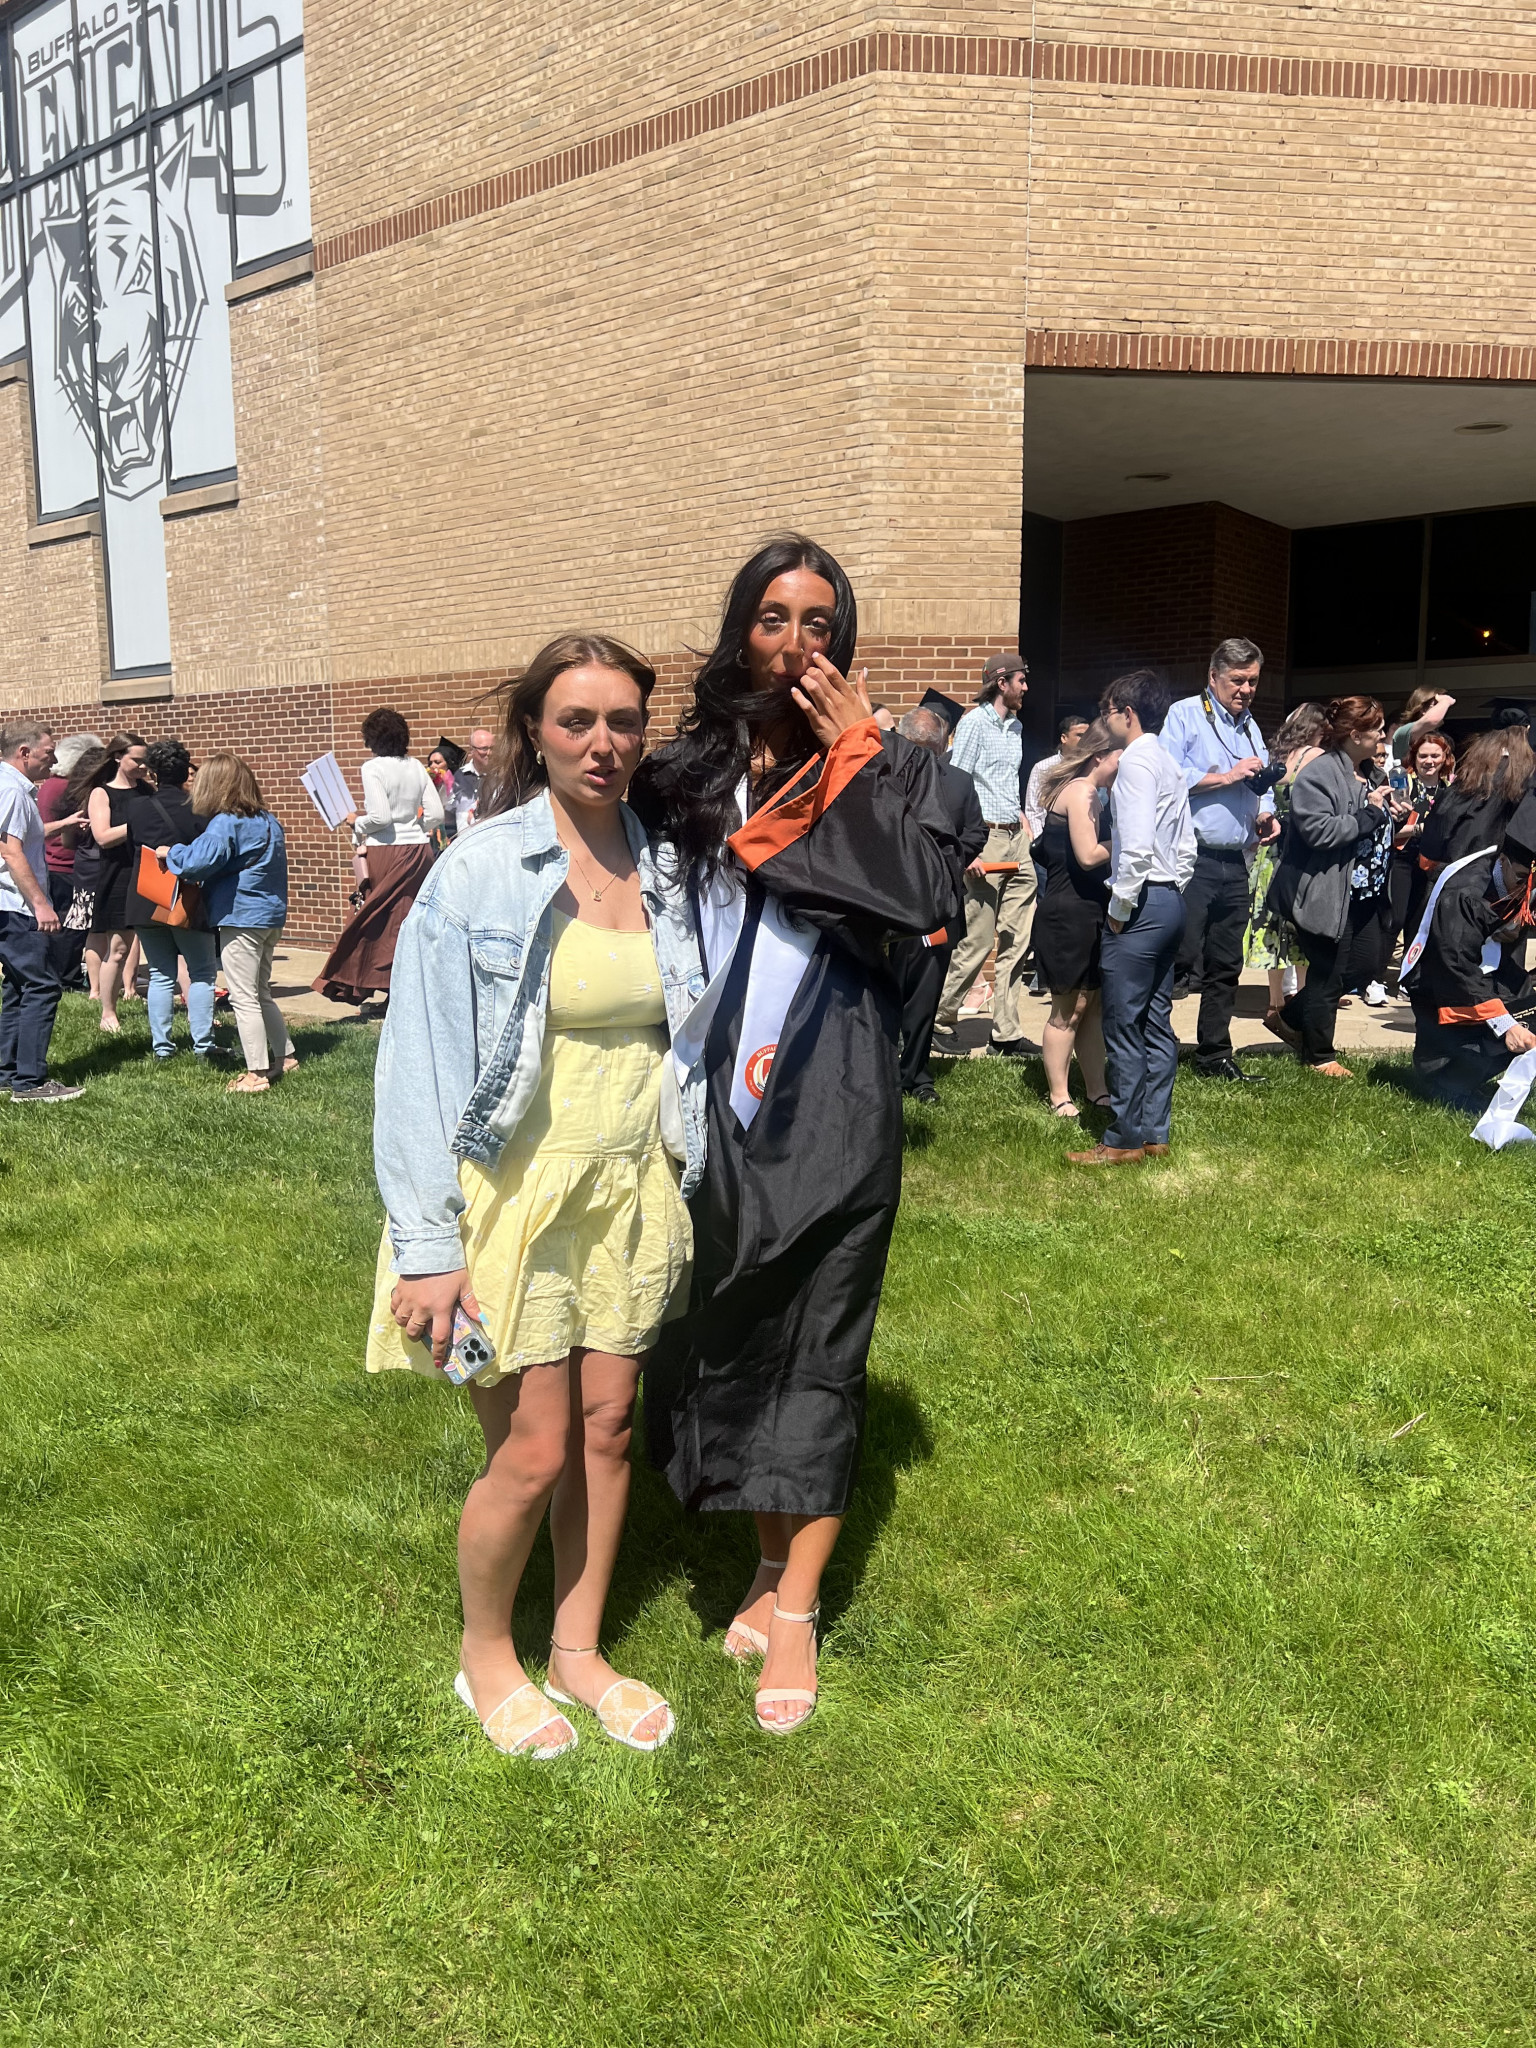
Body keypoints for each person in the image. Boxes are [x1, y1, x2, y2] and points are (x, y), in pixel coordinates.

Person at [630, 535, 962, 1734]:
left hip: (838, 1091)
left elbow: (921, 899)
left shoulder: (905, 767)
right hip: (706, 1093)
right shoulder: (687, 775)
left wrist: (859, 755)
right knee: (731, 1325)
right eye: (773, 618)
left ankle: (800, 1606)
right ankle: (766, 1562)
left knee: (821, 1339)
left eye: (819, 621)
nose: (796, 642)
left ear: (845, 639)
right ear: (742, 630)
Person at [369, 633, 707, 1761]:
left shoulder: (669, 868)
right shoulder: (480, 870)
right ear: (535, 732)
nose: (603, 743)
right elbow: (418, 1059)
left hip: (628, 1184)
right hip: (508, 1199)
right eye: (576, 721)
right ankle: (486, 1657)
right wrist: (428, 1244)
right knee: (533, 1448)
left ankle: (577, 1651)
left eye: (623, 721)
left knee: (608, 1430)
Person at [1069, 669, 1195, 1167]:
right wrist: (1173, 889)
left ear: (1127, 713)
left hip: (1141, 903)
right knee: (1157, 1022)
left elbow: (1136, 847)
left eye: (1108, 712)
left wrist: (1121, 909)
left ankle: (1123, 1139)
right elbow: (1186, 845)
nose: (1105, 721)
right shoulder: (1168, 761)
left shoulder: (1137, 763)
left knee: (1123, 1024)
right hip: (1170, 899)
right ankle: (1154, 1133)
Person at [1160, 637, 1280, 1082]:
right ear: (1213, 677)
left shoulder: (1250, 726)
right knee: (1177, 958)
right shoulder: (1185, 714)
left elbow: (1262, 783)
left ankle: (1214, 1054)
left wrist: (1266, 812)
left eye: (1253, 681)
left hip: (1236, 861)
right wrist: (1226, 777)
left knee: (1226, 963)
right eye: (1238, 680)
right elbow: (1167, 776)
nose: (1246, 689)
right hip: (1192, 859)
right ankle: (1156, 1045)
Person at [1264, 697, 1394, 1078]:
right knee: (1328, 972)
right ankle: (1319, 1056)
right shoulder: (1318, 774)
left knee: (1365, 966)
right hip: (1326, 891)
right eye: (1377, 729)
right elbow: (1319, 831)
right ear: (1354, 734)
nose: (1382, 735)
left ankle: (1289, 1017)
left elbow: (1373, 819)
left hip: (1365, 893)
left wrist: (1390, 814)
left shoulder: (1373, 774)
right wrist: (1370, 814)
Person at [162, 752, 295, 1095]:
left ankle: (256, 1074)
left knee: (243, 996)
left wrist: (171, 853)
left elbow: (196, 862)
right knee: (261, 992)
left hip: (241, 916)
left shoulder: (225, 822)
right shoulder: (268, 820)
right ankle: (286, 1057)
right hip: (269, 916)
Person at [1402, 794, 1536, 1112]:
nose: (1525, 890)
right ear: (1502, 861)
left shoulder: (1514, 884)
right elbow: (1454, 961)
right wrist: (1505, 1025)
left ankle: (1469, 1075)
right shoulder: (1465, 891)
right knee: (1500, 1031)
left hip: (1487, 974)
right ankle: (1447, 1084)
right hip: (1444, 985)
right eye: (1521, 878)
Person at [931, 652, 1033, 1058]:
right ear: (1001, 682)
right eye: (1021, 680)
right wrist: (965, 847)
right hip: (985, 841)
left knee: (1017, 939)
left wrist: (1021, 817)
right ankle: (938, 1020)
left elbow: (1004, 781)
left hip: (1016, 839)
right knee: (977, 938)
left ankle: (1006, 1033)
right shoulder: (974, 724)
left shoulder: (1017, 727)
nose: (1026, 687)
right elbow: (955, 784)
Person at [313, 709, 444, 1009]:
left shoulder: (372, 768)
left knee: (374, 920)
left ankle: (360, 982)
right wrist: (415, 828)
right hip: (419, 851)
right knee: (406, 921)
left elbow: (380, 817)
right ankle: (399, 993)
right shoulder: (415, 766)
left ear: (372, 739)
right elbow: (436, 814)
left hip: (386, 851)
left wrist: (355, 821)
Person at [887, 705, 986, 1104]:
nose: (926, 756)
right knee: (885, 991)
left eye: (932, 749)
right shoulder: (881, 776)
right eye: (917, 747)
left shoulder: (959, 783)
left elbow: (976, 832)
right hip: (888, 906)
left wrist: (942, 864)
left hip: (937, 907)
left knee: (926, 994)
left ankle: (915, 1074)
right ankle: (880, 1070)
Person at [1032, 719, 1120, 1118]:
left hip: (1087, 910)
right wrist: (1128, 841)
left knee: (1091, 1008)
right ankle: (1059, 1096)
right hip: (1068, 916)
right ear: (1100, 756)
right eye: (1119, 756)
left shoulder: (1090, 793)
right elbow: (1087, 856)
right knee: (1067, 1011)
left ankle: (1097, 1091)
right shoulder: (1081, 791)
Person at [0, 723, 84, 1103]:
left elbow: (23, 836)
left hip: (9, 905)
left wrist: (63, 824)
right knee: (42, 986)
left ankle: (7, 1073)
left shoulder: (11, 787)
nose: (53, 759)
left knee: (19, 987)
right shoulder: (12, 790)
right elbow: (10, 850)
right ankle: (30, 1082)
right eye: (48, 752)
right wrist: (40, 903)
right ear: (24, 752)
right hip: (17, 906)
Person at [125, 739, 219, 1063]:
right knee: (202, 973)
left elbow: (131, 850)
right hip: (187, 900)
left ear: (153, 773)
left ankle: (162, 1048)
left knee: (160, 974)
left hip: (146, 898)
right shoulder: (200, 808)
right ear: (186, 771)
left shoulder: (136, 808)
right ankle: (203, 1046)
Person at [1246, 702, 1326, 1030]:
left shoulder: (1277, 756)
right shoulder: (1316, 757)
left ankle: (1274, 1001)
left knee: (1271, 926)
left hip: (1270, 852)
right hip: (1301, 850)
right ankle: (1302, 1001)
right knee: (1301, 928)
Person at [67, 732, 149, 1034]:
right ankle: (108, 1012)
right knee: (117, 948)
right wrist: (138, 824)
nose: (143, 767)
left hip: (148, 873)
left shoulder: (147, 791)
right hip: (118, 876)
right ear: (117, 758)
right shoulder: (102, 793)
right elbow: (102, 837)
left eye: (146, 761)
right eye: (137, 761)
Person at [35, 731, 97, 989]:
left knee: (61, 923)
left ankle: (58, 973)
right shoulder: (67, 788)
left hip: (52, 862)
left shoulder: (49, 784)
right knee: (72, 925)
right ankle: (67, 977)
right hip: (67, 863)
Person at [1024, 709, 1091, 840]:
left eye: (1088, 736)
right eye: (1080, 735)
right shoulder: (1044, 768)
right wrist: (1041, 841)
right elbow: (1034, 810)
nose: (1085, 740)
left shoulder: (1093, 766)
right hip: (1052, 839)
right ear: (1064, 738)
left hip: (1086, 838)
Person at [1389, 686, 1455, 768]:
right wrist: (1446, 701)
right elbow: (1432, 720)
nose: (1443, 708)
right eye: (1437, 704)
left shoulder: (1442, 737)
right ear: (1423, 709)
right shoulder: (1403, 732)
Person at [453, 726, 495, 832]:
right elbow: (449, 811)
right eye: (484, 749)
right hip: (463, 838)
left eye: (492, 748)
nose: (489, 753)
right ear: (471, 750)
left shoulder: (501, 777)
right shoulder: (458, 777)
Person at [427, 748, 458, 843]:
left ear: (448, 764)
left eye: (437, 762)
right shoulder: (430, 784)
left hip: (453, 830)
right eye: (430, 763)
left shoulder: (457, 784)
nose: (433, 766)